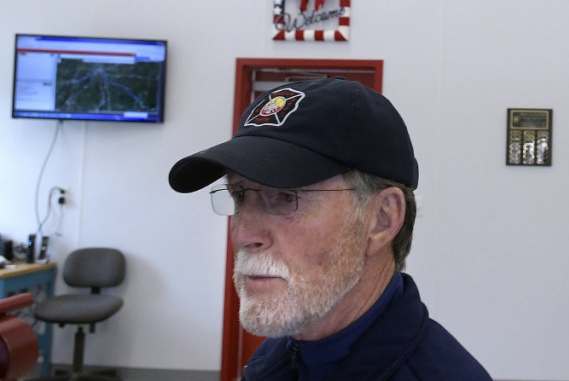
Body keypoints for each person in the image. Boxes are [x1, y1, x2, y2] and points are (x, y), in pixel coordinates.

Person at [168, 77, 492, 380]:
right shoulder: (284, 351)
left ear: (381, 219)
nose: (243, 235)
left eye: (285, 196)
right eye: (239, 195)